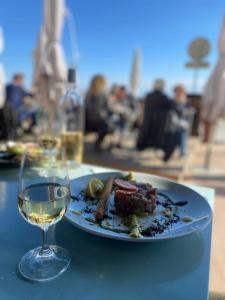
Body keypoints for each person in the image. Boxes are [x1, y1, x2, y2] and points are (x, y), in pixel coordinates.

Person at [136, 79, 180, 161]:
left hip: (148, 123)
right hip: (160, 126)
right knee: (174, 132)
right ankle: (164, 154)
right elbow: (174, 106)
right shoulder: (163, 97)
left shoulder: (148, 95)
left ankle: (143, 148)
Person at [85, 75, 113, 150]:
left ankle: (98, 144)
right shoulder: (103, 94)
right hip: (99, 123)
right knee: (111, 125)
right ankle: (98, 144)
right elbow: (109, 108)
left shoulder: (88, 93)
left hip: (87, 123)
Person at [173, 85, 189, 157]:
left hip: (181, 122)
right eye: (176, 91)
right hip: (172, 121)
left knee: (182, 130)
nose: (178, 93)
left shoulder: (185, 101)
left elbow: (186, 113)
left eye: (179, 91)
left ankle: (183, 151)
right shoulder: (172, 101)